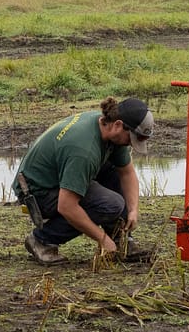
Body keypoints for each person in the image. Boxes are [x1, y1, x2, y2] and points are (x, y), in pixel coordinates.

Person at [12, 97, 154, 265]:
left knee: (113, 170)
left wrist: (133, 210)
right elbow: (67, 206)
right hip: (37, 191)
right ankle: (42, 240)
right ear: (118, 125)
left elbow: (127, 173)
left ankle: (120, 238)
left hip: (59, 175)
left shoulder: (109, 131)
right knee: (110, 205)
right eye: (131, 138)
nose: (130, 144)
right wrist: (102, 239)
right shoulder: (84, 151)